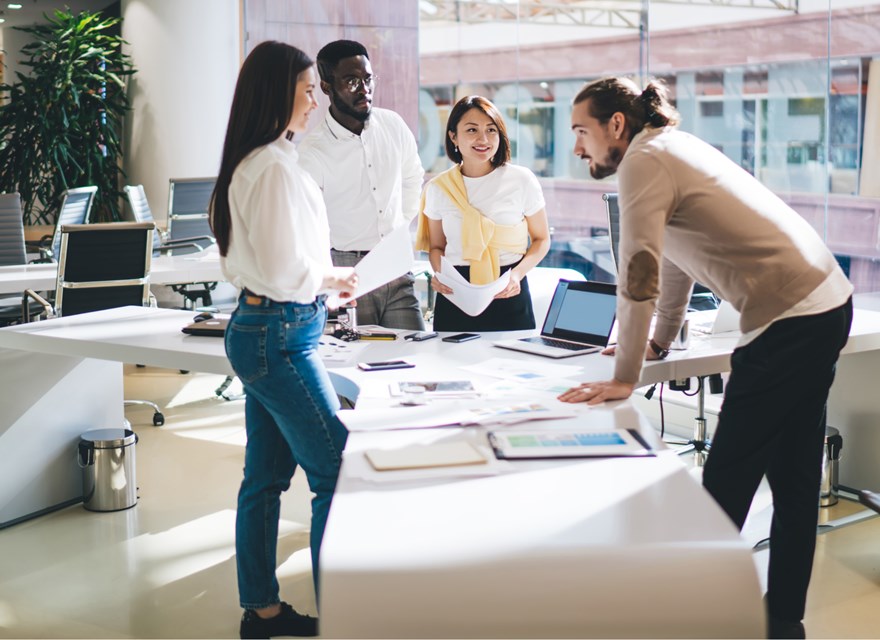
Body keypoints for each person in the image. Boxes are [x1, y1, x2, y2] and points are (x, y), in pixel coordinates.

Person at [560, 76, 853, 639]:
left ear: (615, 125)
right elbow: (672, 261)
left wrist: (626, 376)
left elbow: (639, 270)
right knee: (794, 486)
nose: (578, 148)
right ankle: (783, 620)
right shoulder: (670, 147)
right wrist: (656, 345)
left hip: (790, 320)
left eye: (581, 132)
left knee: (723, 489)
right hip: (822, 306)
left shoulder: (645, 161)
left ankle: (693, 620)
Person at [209, 41, 358, 639]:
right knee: (336, 471)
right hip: (280, 335)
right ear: (277, 94)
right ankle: (346, 617)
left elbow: (275, 261)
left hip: (271, 328)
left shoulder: (267, 159)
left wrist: (323, 283)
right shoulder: (269, 166)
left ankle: (262, 612)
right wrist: (329, 278)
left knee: (265, 479)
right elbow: (279, 267)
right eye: (306, 89)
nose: (315, 99)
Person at [297, 39, 425, 331]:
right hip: (346, 267)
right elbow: (310, 225)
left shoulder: (393, 125)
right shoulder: (313, 151)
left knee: (415, 352)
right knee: (357, 361)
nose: (364, 89)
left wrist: (400, 224)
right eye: (352, 81)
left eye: (367, 79)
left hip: (396, 264)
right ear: (327, 86)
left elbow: (412, 177)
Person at [415, 95, 550, 331]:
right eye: (472, 130)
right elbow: (437, 248)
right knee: (448, 365)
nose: (483, 139)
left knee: (512, 365)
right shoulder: (438, 188)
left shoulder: (521, 180)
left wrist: (516, 275)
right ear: (453, 136)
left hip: (508, 290)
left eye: (491, 130)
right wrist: (440, 275)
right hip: (456, 293)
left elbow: (542, 239)